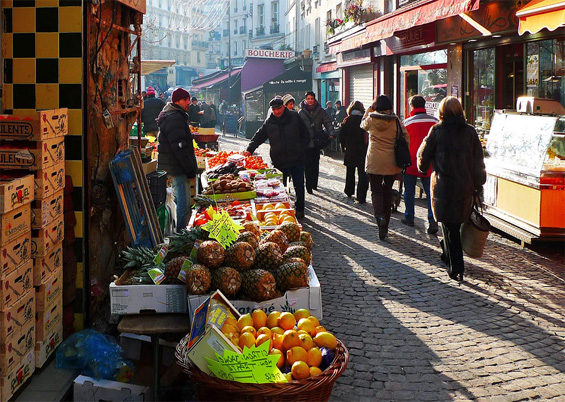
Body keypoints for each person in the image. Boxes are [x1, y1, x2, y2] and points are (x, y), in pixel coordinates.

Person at [417, 96, 486, 281]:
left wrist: (422, 167)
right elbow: (478, 161)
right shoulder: (470, 132)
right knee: (453, 225)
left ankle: (456, 266)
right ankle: (447, 255)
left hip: (444, 186)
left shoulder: (437, 131)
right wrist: (479, 183)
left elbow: (423, 157)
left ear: (441, 112)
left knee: (449, 226)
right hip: (465, 186)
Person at [244, 96, 310, 219]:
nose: (277, 112)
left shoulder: (294, 116)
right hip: (279, 160)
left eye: (279, 108)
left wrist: (301, 149)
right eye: (274, 109)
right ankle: (283, 210)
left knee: (299, 185)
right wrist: (249, 149)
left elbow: (305, 134)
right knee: (279, 188)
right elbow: (259, 136)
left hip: (296, 158)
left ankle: (300, 209)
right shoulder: (270, 122)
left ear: (283, 107)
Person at [361, 94, 409, 240]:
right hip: (391, 161)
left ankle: (379, 218)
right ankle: (386, 225)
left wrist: (369, 108)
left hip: (374, 160)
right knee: (387, 191)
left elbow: (362, 124)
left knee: (376, 191)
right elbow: (406, 137)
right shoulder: (395, 121)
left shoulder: (371, 119)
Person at [156, 88, 198, 232]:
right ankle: (181, 235)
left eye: (188, 99)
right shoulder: (175, 118)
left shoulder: (175, 115)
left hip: (174, 165)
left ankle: (180, 233)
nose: (188, 102)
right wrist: (190, 169)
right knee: (184, 204)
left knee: (181, 202)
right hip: (177, 167)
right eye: (185, 100)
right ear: (177, 101)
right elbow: (179, 147)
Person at [402, 95, 440, 234]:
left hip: (411, 161)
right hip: (428, 162)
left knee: (409, 191)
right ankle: (432, 219)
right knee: (430, 192)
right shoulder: (435, 122)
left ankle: (409, 217)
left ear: (412, 106)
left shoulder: (406, 122)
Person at [299, 91, 335, 194]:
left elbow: (327, 122)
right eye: (308, 99)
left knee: (315, 164)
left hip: (317, 141)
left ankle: (314, 184)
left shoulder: (320, 111)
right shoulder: (301, 113)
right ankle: (309, 186)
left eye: (312, 99)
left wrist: (331, 132)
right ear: (306, 100)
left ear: (314, 99)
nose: (310, 101)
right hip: (306, 142)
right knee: (307, 165)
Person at [339, 100, 369, 203]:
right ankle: (361, 196)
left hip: (350, 149)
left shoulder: (347, 120)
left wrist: (343, 147)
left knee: (350, 171)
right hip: (362, 150)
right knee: (362, 173)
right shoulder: (364, 120)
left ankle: (349, 191)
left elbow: (341, 135)